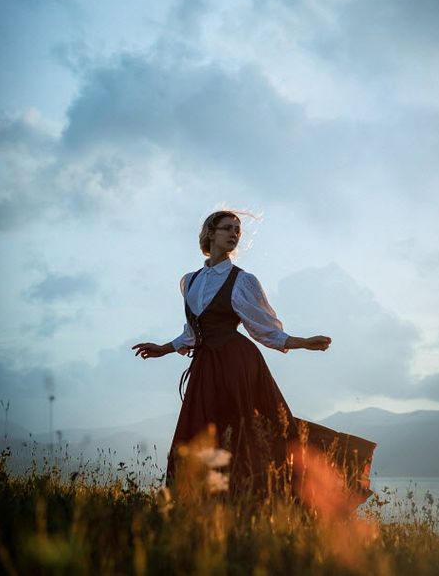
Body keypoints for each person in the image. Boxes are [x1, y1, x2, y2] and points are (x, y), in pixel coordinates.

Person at [132, 210, 332, 493]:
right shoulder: (190, 281)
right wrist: (163, 349)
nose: (235, 235)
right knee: (198, 432)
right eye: (228, 228)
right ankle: (199, 502)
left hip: (236, 363)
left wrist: (300, 342)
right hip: (205, 366)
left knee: (243, 430)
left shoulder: (243, 280)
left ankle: (253, 499)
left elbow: (266, 328)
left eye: (238, 231)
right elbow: (192, 331)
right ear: (210, 233)